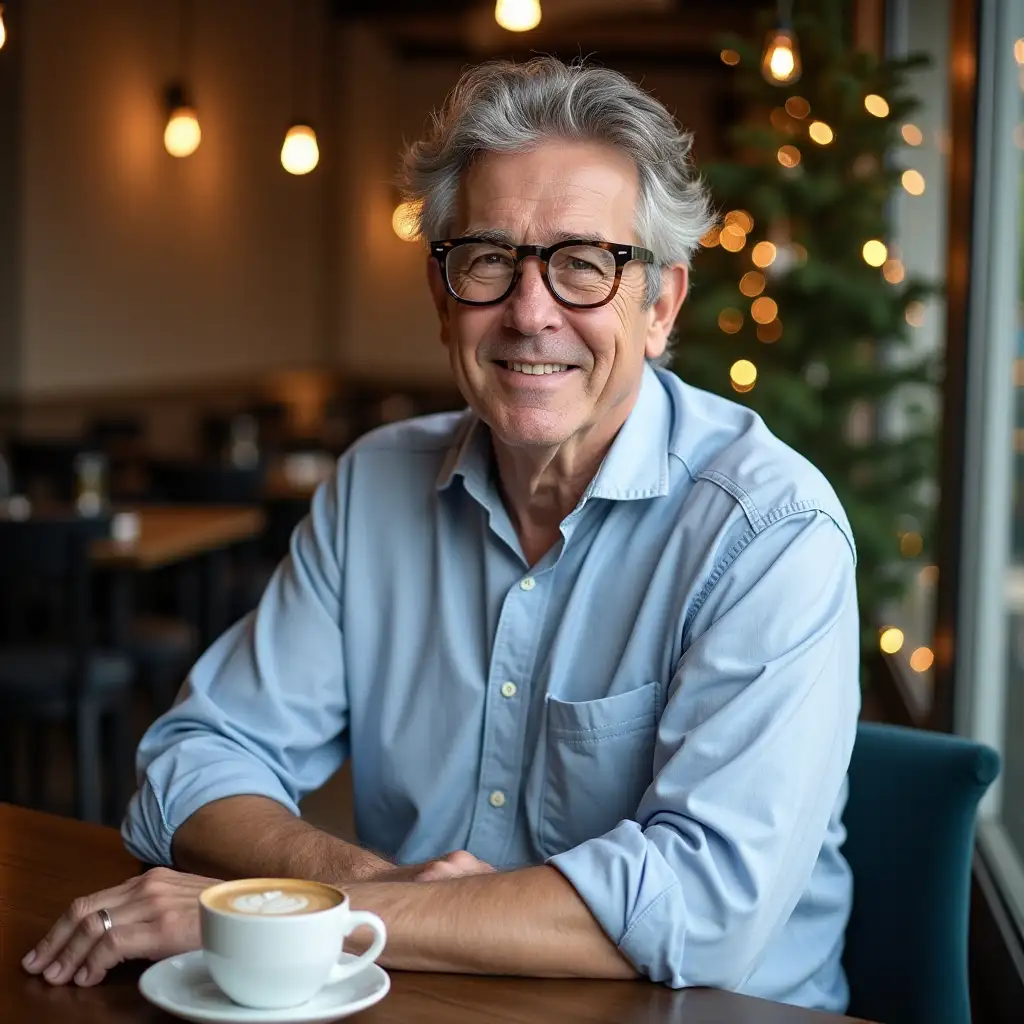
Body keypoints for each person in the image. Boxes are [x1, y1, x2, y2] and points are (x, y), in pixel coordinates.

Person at [22, 56, 860, 1012]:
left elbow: (703, 910)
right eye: (490, 259)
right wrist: (362, 885)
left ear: (660, 305)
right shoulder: (373, 487)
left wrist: (315, 914)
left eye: (585, 263)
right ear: (441, 296)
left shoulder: (770, 534)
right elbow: (192, 762)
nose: (531, 312)